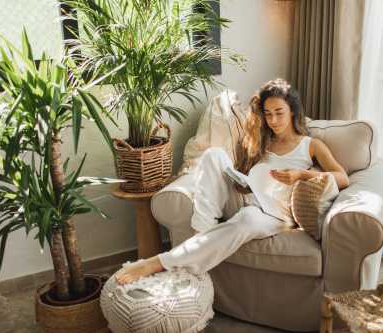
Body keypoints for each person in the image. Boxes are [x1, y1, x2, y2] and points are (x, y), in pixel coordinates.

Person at [116, 78, 349, 285]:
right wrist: (241, 181)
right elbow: (241, 174)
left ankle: (159, 262)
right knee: (213, 155)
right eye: (268, 114)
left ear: (293, 112)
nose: (274, 120)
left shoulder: (311, 145)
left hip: (274, 214)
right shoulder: (262, 141)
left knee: (247, 218)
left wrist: (302, 175)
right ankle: (201, 234)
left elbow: (342, 178)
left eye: (279, 112)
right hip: (247, 197)